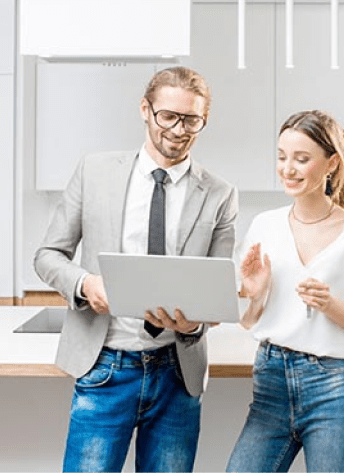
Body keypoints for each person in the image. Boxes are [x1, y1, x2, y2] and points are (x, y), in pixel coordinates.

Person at [34, 66, 238, 473]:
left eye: (192, 120)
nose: (179, 130)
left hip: (177, 376)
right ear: (145, 110)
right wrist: (85, 283)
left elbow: (216, 294)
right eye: (169, 116)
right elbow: (47, 255)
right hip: (105, 368)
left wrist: (193, 324)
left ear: (204, 120)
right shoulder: (94, 171)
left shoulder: (219, 194)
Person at [226, 110, 344, 473]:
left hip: (333, 391)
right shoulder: (265, 225)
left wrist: (332, 305)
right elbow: (248, 321)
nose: (287, 169)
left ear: (331, 164)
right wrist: (255, 293)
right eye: (281, 156)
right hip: (270, 383)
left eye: (301, 159)